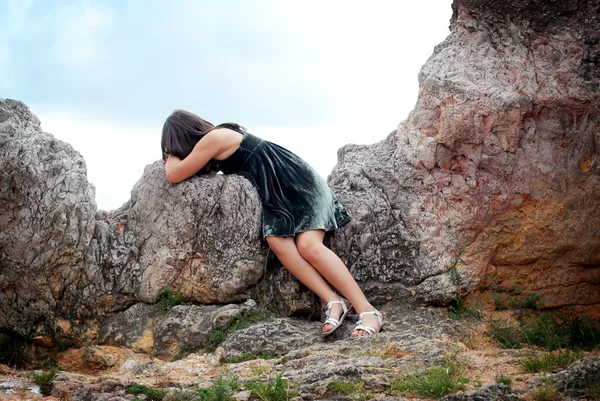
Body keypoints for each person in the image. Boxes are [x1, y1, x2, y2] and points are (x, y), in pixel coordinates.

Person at [161, 109, 383, 337]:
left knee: (309, 246)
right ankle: (334, 301)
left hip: (297, 184)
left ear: (181, 139)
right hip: (275, 196)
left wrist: (171, 155)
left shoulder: (215, 137)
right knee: (277, 242)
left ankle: (368, 311)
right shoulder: (214, 145)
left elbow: (174, 174)